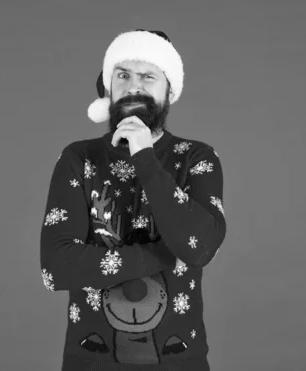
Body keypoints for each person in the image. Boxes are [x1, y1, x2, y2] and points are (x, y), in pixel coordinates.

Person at [40, 29, 226, 371]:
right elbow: (56, 269)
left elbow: (200, 247)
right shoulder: (79, 158)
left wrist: (145, 157)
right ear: (108, 86)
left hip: (179, 359)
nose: (133, 86)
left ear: (169, 90)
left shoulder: (197, 158)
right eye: (122, 75)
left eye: (148, 77)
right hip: (89, 360)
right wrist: (167, 253)